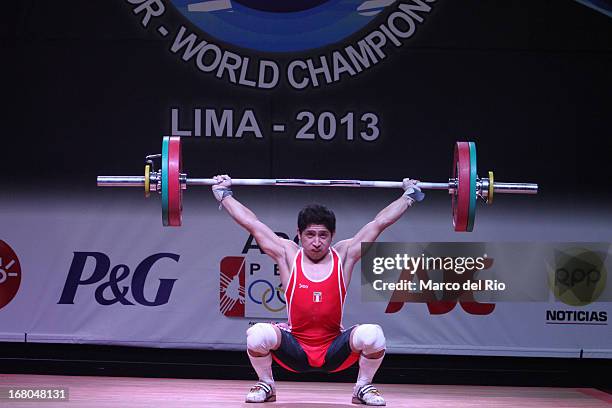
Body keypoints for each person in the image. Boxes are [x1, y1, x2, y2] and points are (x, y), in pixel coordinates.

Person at [212, 175, 423, 406]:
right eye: (310, 235)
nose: (316, 242)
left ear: (332, 235)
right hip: (295, 349)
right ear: (299, 234)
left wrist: (409, 196)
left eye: (323, 235)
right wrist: (224, 194)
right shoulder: (288, 255)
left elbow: (379, 223)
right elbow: (252, 224)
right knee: (257, 334)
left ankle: (362, 386)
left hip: (335, 349)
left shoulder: (344, 255)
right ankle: (266, 384)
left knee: (373, 335)